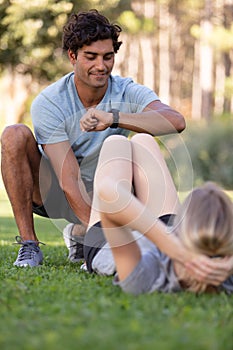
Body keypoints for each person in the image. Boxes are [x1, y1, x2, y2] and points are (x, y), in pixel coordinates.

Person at [0, 9, 186, 267]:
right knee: (13, 134)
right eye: (91, 57)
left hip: (109, 191)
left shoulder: (126, 91)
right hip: (57, 194)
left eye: (107, 57)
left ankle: (85, 234)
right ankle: (30, 245)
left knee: (140, 142)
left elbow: (176, 121)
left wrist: (114, 117)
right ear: (73, 56)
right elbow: (69, 179)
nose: (101, 66)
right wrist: (103, 237)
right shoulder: (51, 101)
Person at [82, 133, 233, 293]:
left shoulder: (146, 277)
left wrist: (180, 253)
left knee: (115, 142)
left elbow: (108, 190)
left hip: (109, 242)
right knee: (143, 140)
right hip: (168, 229)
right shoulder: (228, 277)